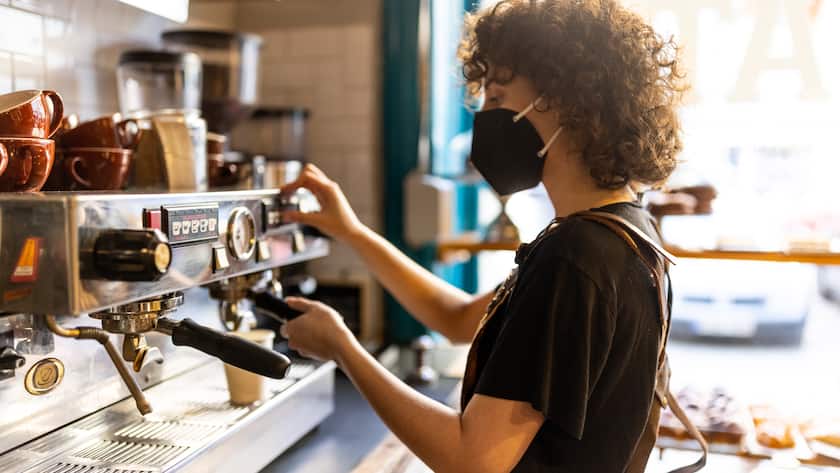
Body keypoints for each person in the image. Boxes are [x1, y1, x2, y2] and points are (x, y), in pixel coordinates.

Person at [279, 0, 687, 471]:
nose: (485, 117)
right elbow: (456, 318)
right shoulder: (627, 230)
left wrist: (343, 348)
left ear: (566, 101)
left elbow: (473, 460)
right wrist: (351, 232)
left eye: (496, 97)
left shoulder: (574, 257)